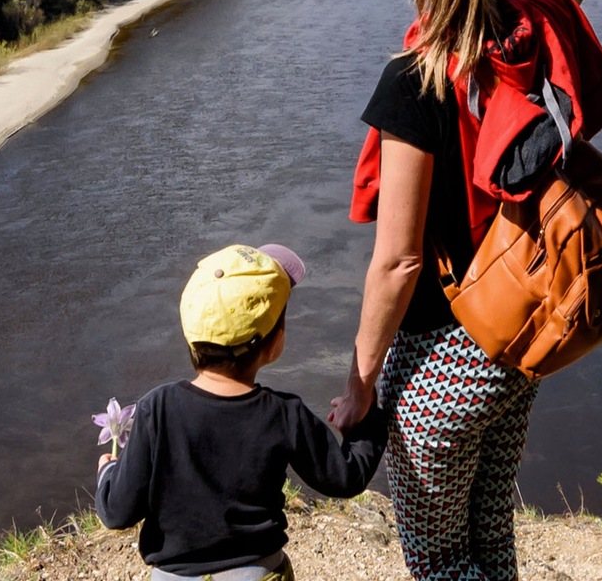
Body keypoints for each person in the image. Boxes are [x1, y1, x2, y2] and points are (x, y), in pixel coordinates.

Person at [329, 0, 602, 580]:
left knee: (438, 562)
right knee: (489, 540)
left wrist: (360, 384)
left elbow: (399, 262)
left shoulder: (412, 84)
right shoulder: (532, 27)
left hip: (441, 367)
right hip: (523, 334)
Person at [95, 243, 387, 581]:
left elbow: (117, 512)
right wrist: (368, 423)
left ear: (191, 335)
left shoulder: (156, 409)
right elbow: (344, 478)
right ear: (274, 341)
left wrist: (108, 473)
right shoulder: (283, 413)